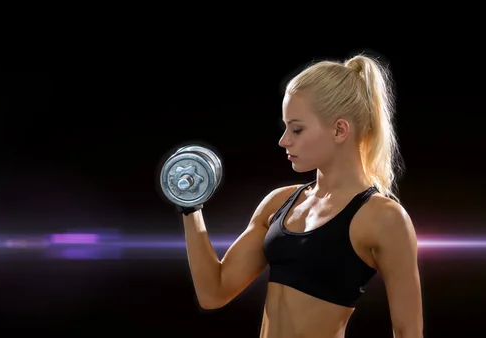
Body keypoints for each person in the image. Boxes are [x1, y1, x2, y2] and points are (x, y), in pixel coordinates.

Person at [177, 54, 424, 338]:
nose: (283, 140)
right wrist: (190, 206)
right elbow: (214, 292)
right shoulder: (279, 202)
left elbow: (408, 332)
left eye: (297, 129)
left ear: (339, 129)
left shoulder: (383, 218)